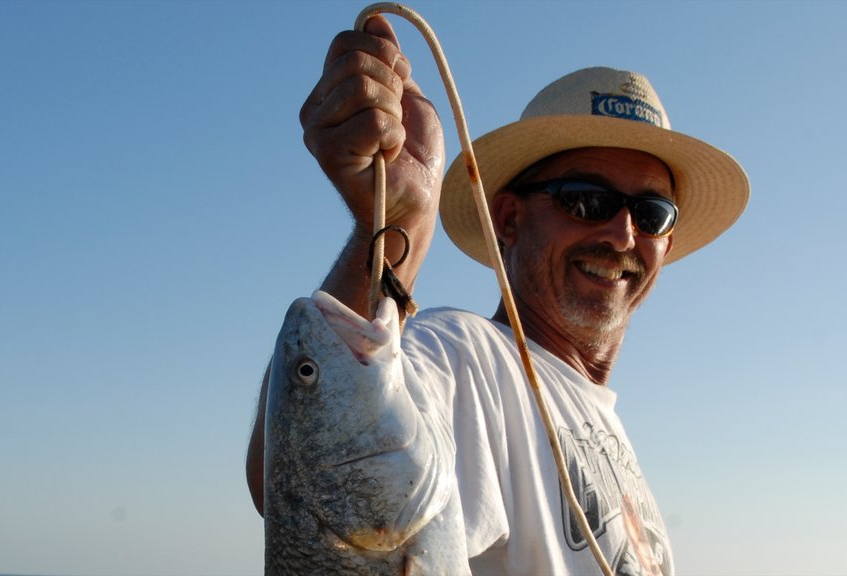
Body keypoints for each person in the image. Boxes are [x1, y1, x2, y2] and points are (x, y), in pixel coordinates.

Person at [246, 15, 748, 575]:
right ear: (508, 218)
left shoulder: (604, 422)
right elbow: (311, 477)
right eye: (586, 200)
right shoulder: (468, 358)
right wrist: (397, 227)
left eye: (652, 213)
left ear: (666, 240)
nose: (623, 234)